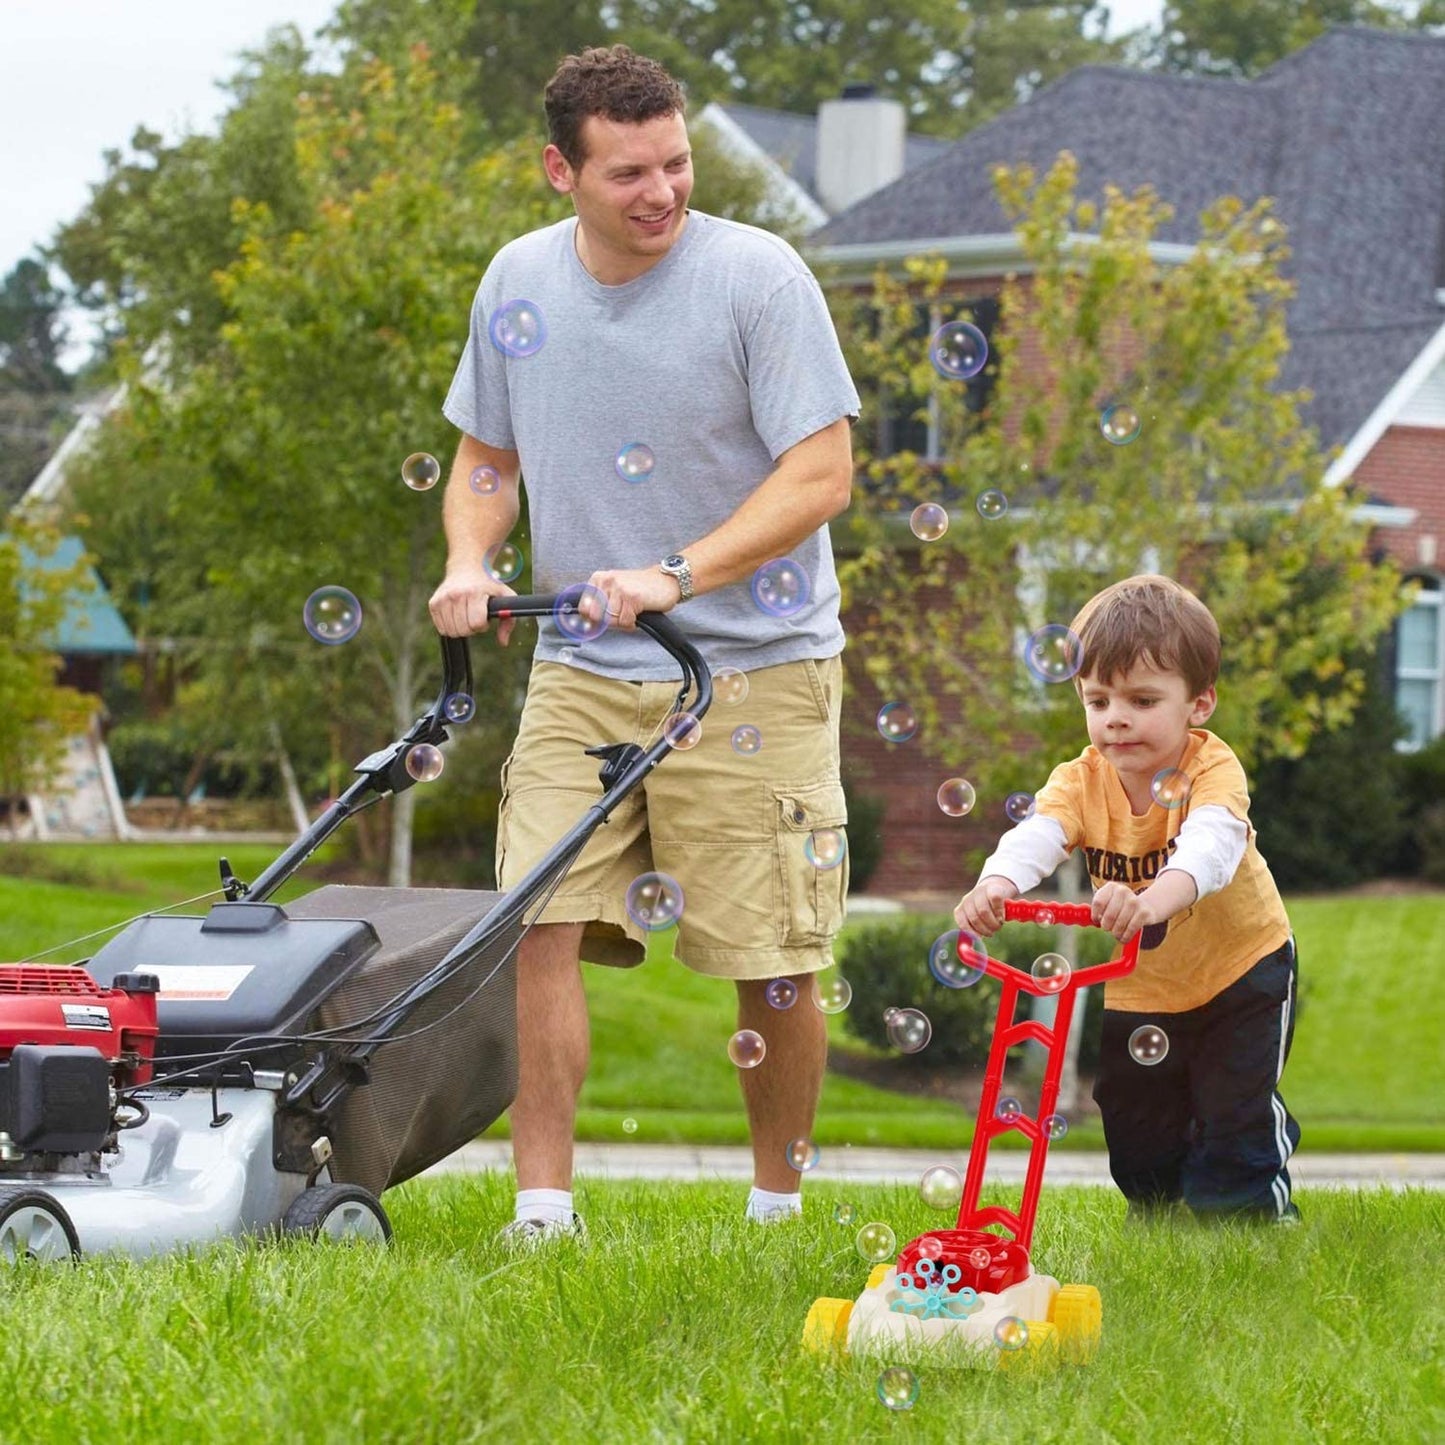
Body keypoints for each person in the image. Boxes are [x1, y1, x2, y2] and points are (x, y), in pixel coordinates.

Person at [429, 44, 859, 1245]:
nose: (660, 190)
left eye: (674, 162)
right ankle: (541, 1213)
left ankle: (774, 1212)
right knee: (535, 918)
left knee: (770, 952)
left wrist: (675, 573)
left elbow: (821, 473)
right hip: (580, 667)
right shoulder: (517, 280)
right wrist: (468, 559)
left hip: (755, 666)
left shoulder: (756, 279)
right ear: (557, 169)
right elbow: (485, 460)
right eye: (627, 172)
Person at [955, 575, 1301, 1222]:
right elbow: (1039, 834)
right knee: (1134, 1126)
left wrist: (1150, 902)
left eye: (1142, 699)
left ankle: (1252, 1218)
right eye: (1098, 699)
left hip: (1241, 968)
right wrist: (996, 883)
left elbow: (1210, 848)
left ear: (1199, 704)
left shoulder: (1211, 769)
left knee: (1235, 1109)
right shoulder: (1078, 780)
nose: (1115, 717)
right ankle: (1160, 1216)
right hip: (1143, 984)